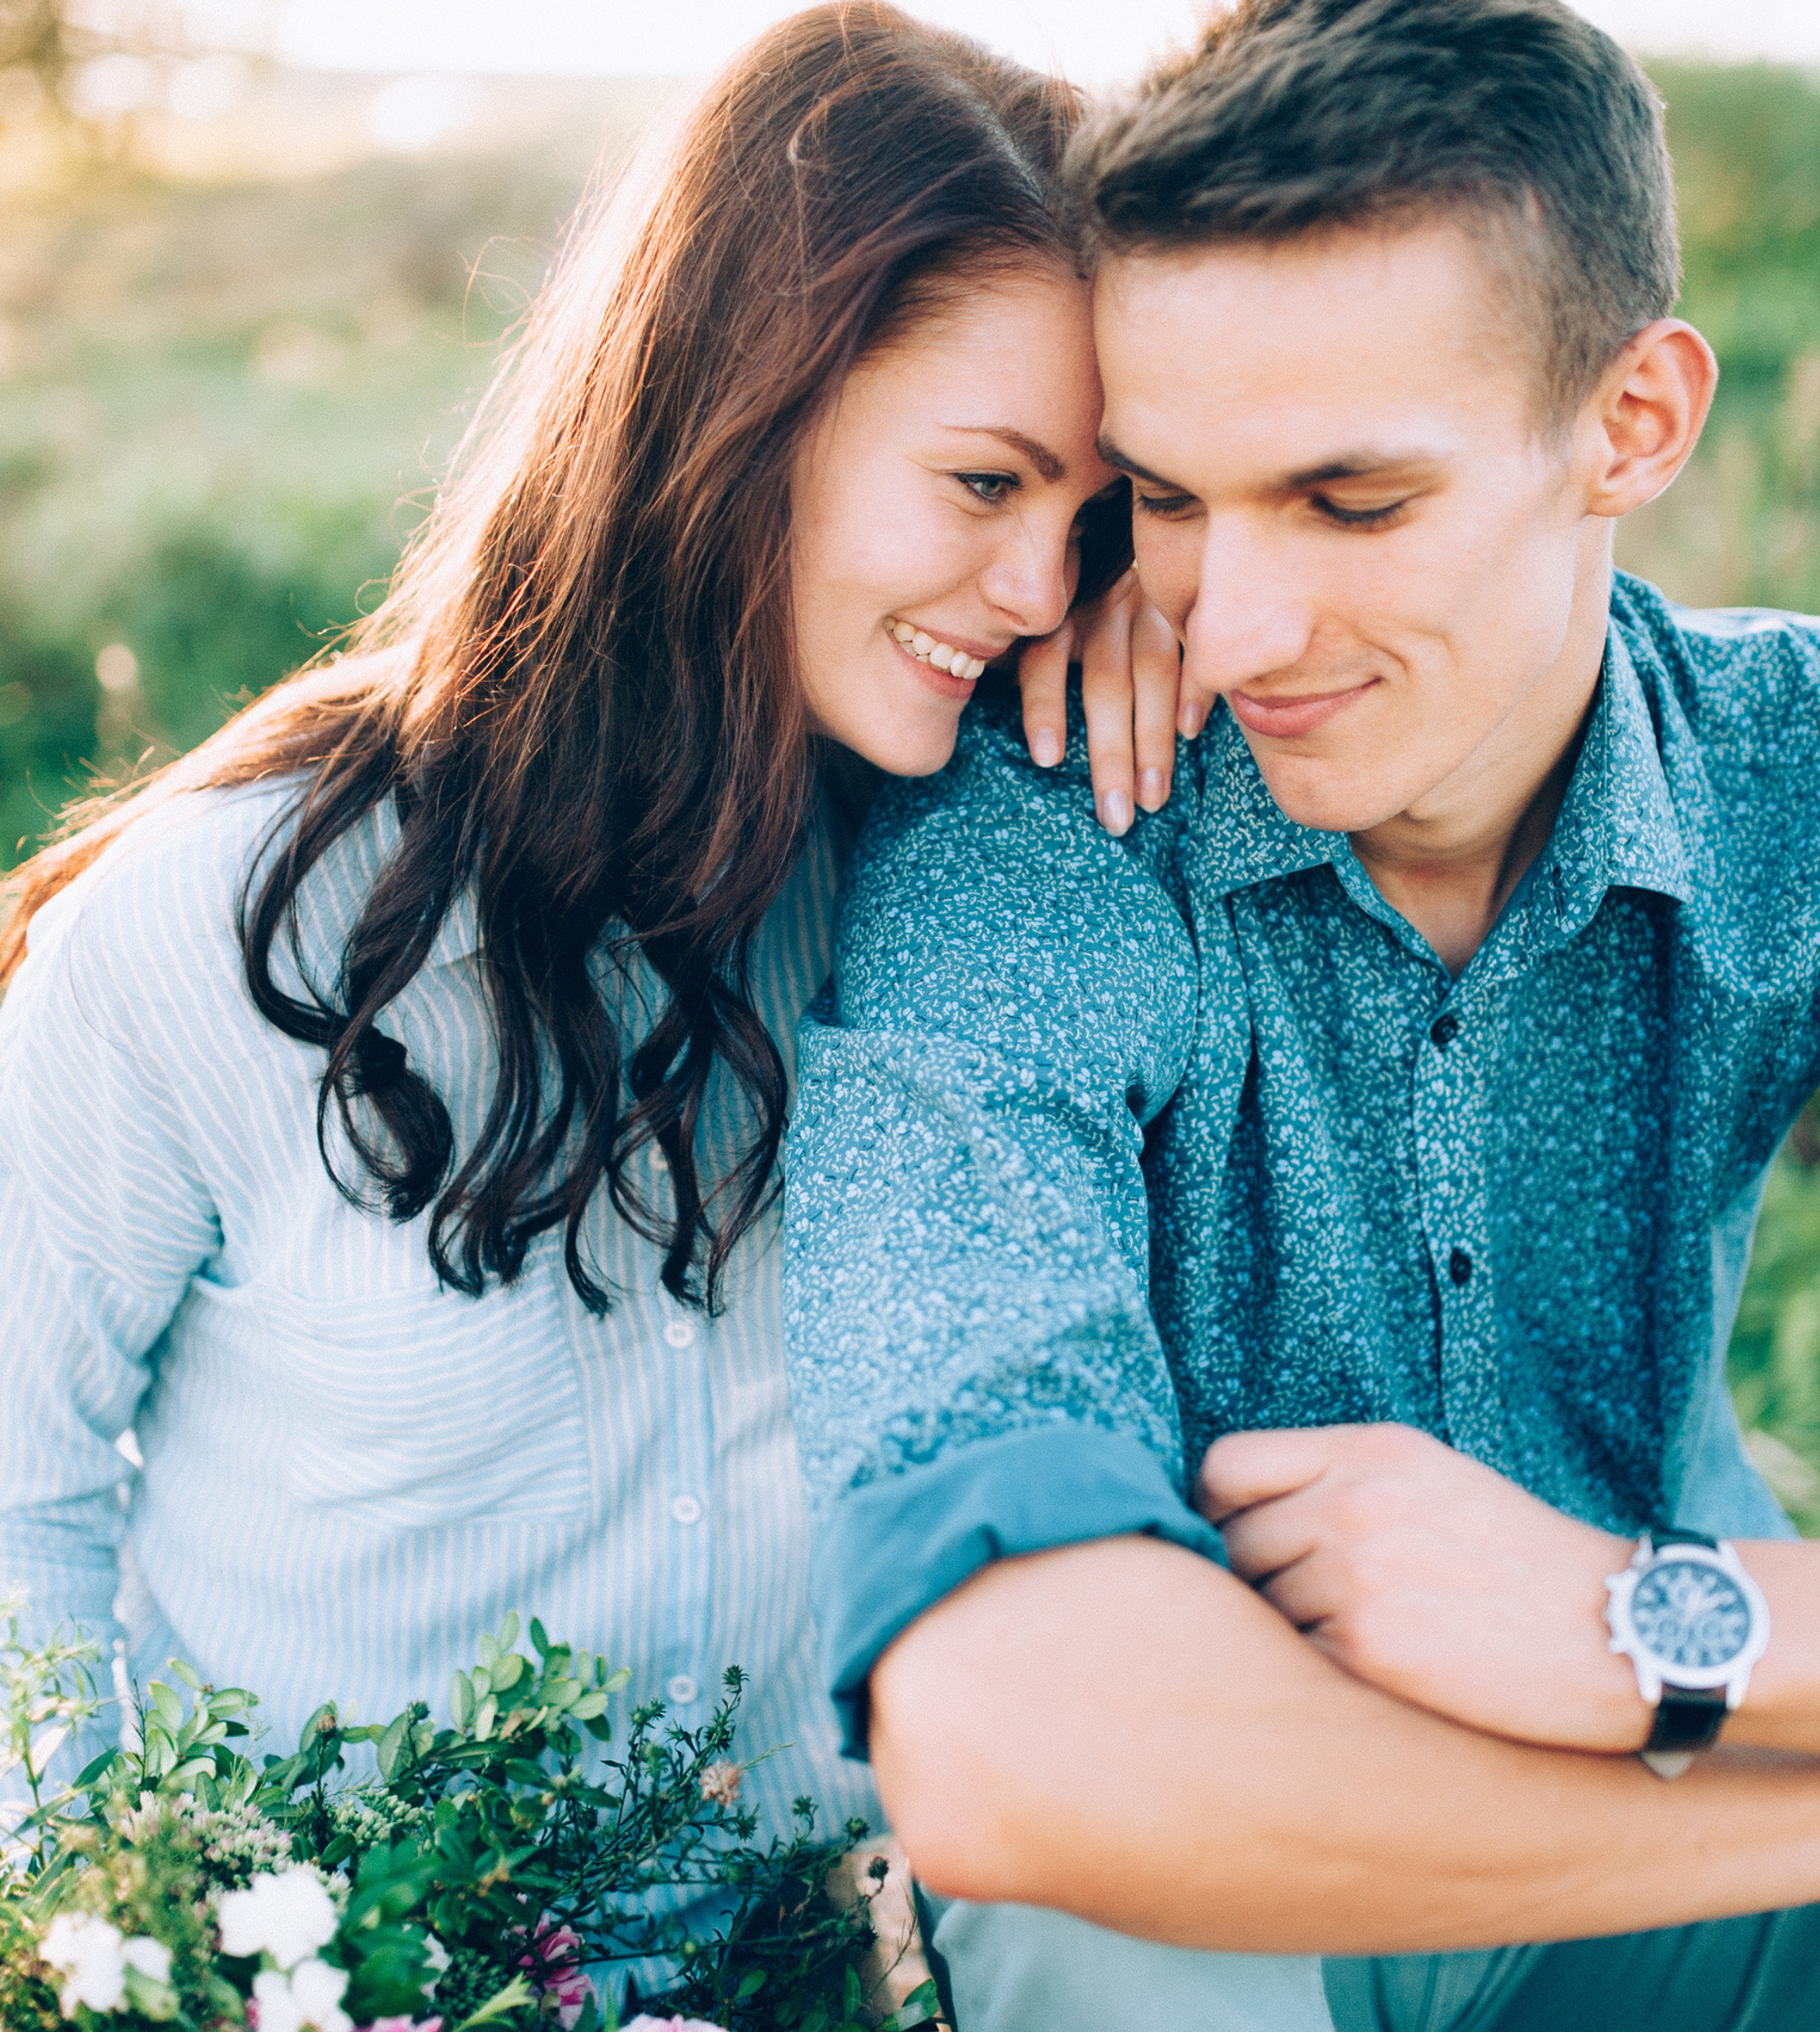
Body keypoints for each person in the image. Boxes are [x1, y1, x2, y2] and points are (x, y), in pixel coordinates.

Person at [779, 2, 1820, 2027]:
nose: (1237, 631)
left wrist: (1644, 1625)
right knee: (1101, 1918)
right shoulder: (1041, 829)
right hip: (1227, 1867)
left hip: (1699, 1738)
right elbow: (1015, 1748)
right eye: (1171, 500)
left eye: (1346, 502)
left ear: (1629, 424)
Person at [0, 0, 1186, 1988]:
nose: (1038, 594)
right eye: (982, 485)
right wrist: (110, 1945)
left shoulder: (983, 892)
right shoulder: (223, 928)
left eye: (1095, 523)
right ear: (739, 415)